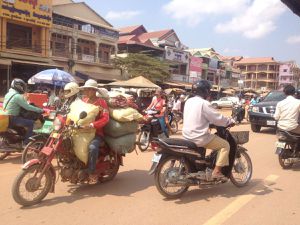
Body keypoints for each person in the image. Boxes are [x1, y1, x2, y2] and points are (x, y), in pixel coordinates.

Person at [182, 80, 235, 179]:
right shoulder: (204, 103)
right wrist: (229, 121)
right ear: (205, 91)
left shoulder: (188, 101)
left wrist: (208, 124)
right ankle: (217, 171)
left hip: (186, 136)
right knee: (225, 145)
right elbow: (217, 118)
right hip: (199, 137)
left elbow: (197, 117)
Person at [79, 79, 109, 183]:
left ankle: (91, 171)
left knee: (92, 147)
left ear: (94, 90)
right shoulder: (83, 101)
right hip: (81, 131)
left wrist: (92, 125)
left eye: (88, 90)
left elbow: (105, 118)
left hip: (96, 133)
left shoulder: (102, 103)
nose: (86, 92)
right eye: (85, 90)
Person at [3, 78, 43, 146]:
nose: (22, 88)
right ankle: (26, 142)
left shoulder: (8, 94)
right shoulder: (17, 96)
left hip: (7, 117)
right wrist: (40, 110)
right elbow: (27, 107)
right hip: (13, 118)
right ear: (17, 86)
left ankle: (20, 137)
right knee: (31, 123)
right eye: (21, 86)